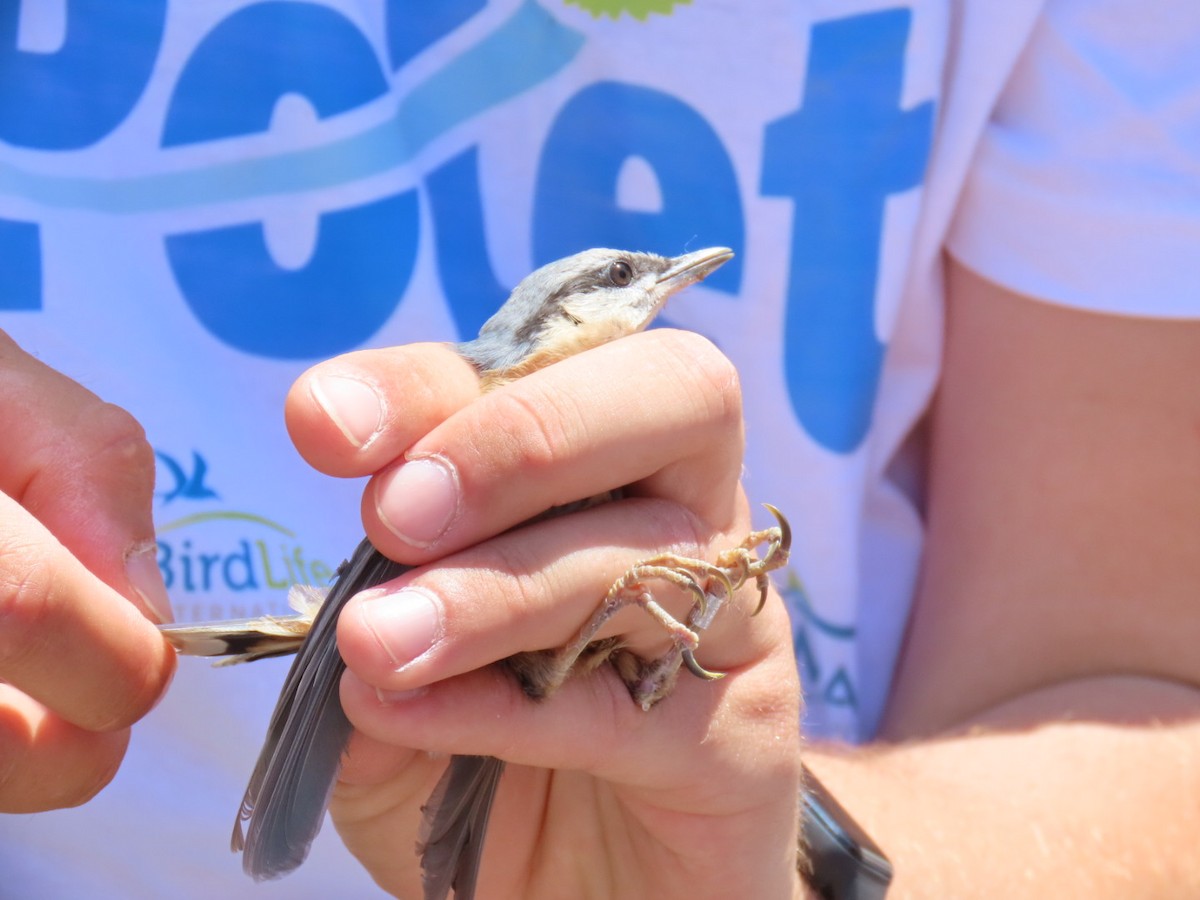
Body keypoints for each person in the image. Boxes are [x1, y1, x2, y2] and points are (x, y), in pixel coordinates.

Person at [1, 0, 1197, 896]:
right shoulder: (471, 422)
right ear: (559, 320)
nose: (664, 283)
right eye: (628, 278)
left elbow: (1143, 704)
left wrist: (746, 859)